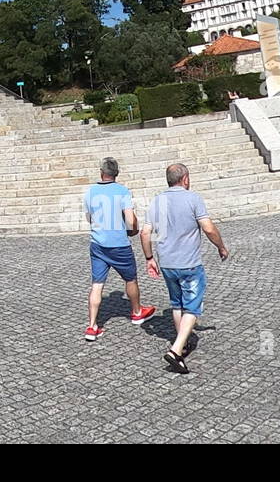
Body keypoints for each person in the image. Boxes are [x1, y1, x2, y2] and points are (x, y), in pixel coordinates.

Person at [141, 162, 231, 375]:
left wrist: (149, 258)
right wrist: (221, 246)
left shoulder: (157, 201)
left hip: (167, 264)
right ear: (186, 179)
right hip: (189, 263)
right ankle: (175, 351)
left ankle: (182, 343)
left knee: (176, 303)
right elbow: (208, 228)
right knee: (192, 306)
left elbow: (145, 233)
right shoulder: (193, 199)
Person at [82, 157, 155, 341]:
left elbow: (89, 218)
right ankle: (137, 312)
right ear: (116, 174)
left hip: (98, 244)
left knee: (97, 284)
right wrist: (131, 230)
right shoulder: (122, 191)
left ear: (101, 172)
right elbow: (130, 220)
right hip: (119, 244)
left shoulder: (90, 191)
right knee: (130, 278)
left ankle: (92, 327)